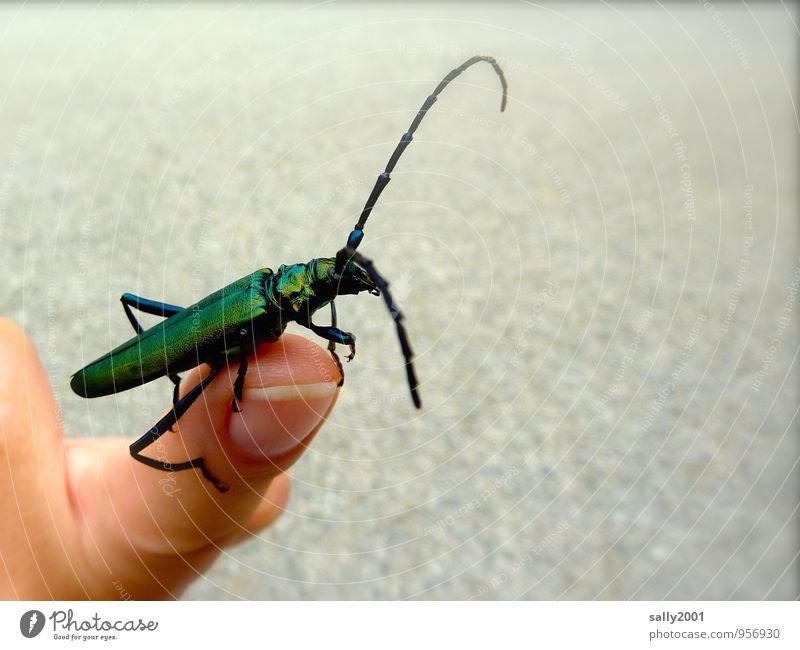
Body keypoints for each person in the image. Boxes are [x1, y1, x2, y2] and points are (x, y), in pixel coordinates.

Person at [0, 317, 340, 599]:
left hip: (218, 341)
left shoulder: (276, 292)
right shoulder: (268, 306)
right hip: (196, 345)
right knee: (141, 448)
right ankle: (197, 464)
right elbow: (246, 343)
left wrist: (333, 343)